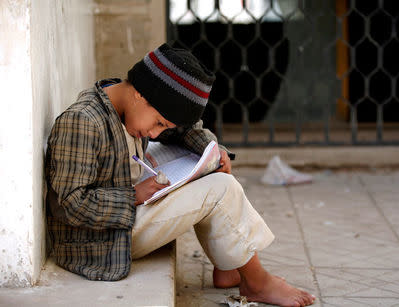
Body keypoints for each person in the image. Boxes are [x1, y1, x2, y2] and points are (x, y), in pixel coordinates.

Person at [45, 43, 316, 307]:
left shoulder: (129, 102)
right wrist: (134, 196)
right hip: (102, 239)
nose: (155, 134)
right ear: (140, 94)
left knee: (206, 167)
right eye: (159, 123)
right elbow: (70, 204)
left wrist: (213, 151)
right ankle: (257, 283)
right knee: (220, 189)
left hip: (122, 216)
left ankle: (229, 266)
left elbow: (186, 130)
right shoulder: (82, 121)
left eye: (164, 126)